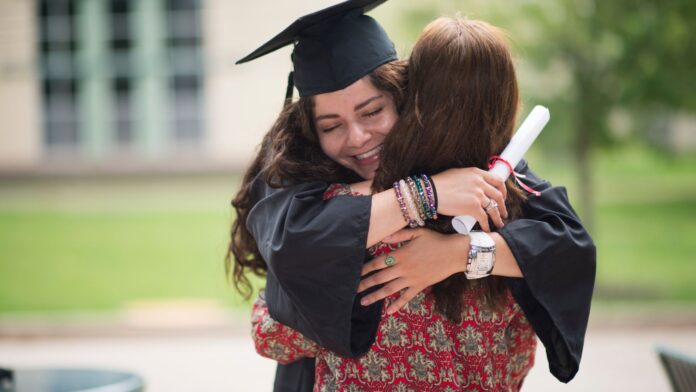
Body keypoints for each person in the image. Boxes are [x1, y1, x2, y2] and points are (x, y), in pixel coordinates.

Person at [231, 0, 595, 390]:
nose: (357, 137)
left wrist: (458, 253)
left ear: (404, 99)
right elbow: (286, 281)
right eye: (331, 125)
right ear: (310, 130)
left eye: (372, 112)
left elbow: (567, 243)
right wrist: (427, 194)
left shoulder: (475, 167)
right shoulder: (297, 177)